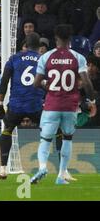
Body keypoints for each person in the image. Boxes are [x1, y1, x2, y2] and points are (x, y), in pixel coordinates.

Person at [31, 24, 97, 185]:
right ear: (70, 39)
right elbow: (87, 84)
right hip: (70, 106)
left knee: (45, 140)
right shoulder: (78, 58)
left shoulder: (46, 57)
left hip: (52, 104)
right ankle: (61, 175)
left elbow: (36, 83)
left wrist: (49, 86)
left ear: (55, 38)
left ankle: (42, 167)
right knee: (67, 138)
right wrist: (92, 102)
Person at [0, 32, 45, 179]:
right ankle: (59, 170)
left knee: (7, 130)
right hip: (35, 105)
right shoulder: (42, 59)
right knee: (54, 131)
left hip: (16, 105)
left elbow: (4, 81)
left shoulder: (14, 58)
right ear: (39, 46)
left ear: (25, 45)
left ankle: (3, 169)